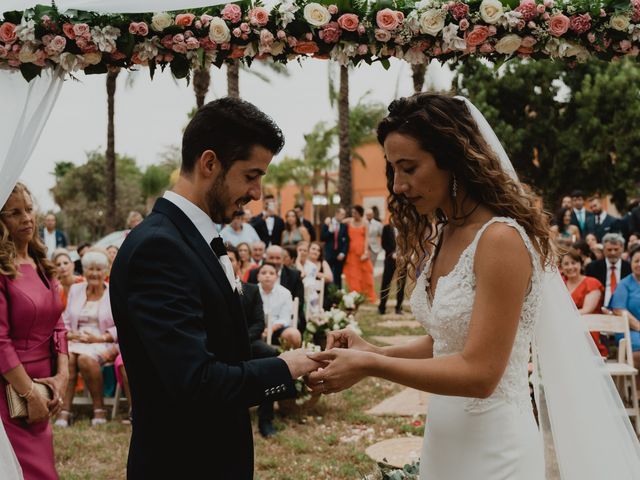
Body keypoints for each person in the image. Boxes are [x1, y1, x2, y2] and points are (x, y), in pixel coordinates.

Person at [306, 94, 640, 479]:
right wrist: (376, 349)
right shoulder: (443, 234)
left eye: (409, 168)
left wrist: (370, 365)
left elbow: (481, 373)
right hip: (445, 438)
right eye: (393, 169)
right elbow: (448, 341)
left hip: (495, 448)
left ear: (452, 160)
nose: (398, 185)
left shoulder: (500, 240)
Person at [109, 98, 318, 479]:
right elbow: (195, 382)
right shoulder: (160, 249)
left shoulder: (191, 238)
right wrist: (283, 368)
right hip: (184, 462)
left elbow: (224, 348)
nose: (257, 193)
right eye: (251, 175)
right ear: (209, 164)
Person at [0, 182, 69, 480]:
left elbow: (59, 324)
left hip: (45, 386)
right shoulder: (2, 271)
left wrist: (62, 376)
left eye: (29, 209)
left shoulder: (42, 264)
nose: (26, 218)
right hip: (11, 390)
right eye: (15, 212)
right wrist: (29, 393)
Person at [57, 249, 119, 428]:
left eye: (99, 269)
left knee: (85, 359)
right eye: (90, 269)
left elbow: (122, 325)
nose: (94, 273)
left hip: (102, 341)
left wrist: (100, 338)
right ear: (84, 270)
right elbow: (66, 320)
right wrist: (71, 334)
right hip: (77, 339)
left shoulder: (113, 293)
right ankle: (65, 410)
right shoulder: (76, 290)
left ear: (106, 271)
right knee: (67, 358)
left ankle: (98, 408)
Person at [226, 245, 279, 437]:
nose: (225, 262)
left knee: (272, 356)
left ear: (239, 264)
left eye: (230, 259)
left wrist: (241, 340)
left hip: (249, 342)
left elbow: (258, 322)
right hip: (220, 344)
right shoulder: (210, 290)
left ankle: (266, 420)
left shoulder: (251, 291)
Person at [247, 245, 306, 333]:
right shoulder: (254, 273)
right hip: (257, 320)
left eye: (278, 258)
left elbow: (299, 301)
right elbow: (248, 298)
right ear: (265, 258)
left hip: (284, 318)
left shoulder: (294, 275)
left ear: (283, 259)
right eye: (271, 258)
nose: (274, 261)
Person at [560, 249, 607, 356]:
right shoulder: (560, 285)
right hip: (564, 327)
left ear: (580, 264)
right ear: (561, 268)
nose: (570, 267)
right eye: (566, 264)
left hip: (588, 328)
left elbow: (587, 310)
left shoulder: (591, 283)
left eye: (574, 263)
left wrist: (562, 317)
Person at [610, 244, 640, 387]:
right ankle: (638, 392)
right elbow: (619, 309)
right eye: (636, 260)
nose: (639, 264)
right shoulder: (624, 284)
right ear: (631, 262)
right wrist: (639, 326)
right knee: (638, 354)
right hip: (630, 330)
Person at [257, 263, 301, 349]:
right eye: (263, 273)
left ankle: (289, 360)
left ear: (277, 277)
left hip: (277, 329)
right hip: (256, 328)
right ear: (258, 276)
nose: (267, 276)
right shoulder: (251, 291)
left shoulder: (285, 293)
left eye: (271, 273)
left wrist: (271, 329)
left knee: (294, 335)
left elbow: (285, 318)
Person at [585, 232, 631, 307]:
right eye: (609, 250)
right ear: (604, 249)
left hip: (624, 309)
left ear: (622, 249)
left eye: (616, 249)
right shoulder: (592, 268)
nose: (613, 253)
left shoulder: (629, 268)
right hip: (598, 309)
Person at [342, 205, 377, 302]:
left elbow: (367, 238)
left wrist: (365, 252)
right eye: (352, 213)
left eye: (355, 213)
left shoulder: (365, 223)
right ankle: (355, 295)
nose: (353, 215)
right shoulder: (349, 221)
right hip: (351, 253)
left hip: (362, 253)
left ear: (360, 213)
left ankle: (368, 296)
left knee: (365, 275)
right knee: (353, 275)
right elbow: (340, 221)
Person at [378, 223, 406, 315]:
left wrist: (404, 255)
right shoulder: (386, 228)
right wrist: (392, 253)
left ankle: (398, 308)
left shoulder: (406, 227)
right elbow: (383, 243)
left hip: (403, 260)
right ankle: (382, 307)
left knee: (401, 284)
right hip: (390, 259)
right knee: (386, 283)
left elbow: (409, 242)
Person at [321, 208, 349, 288]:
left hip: (339, 255)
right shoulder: (328, 223)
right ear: (337, 214)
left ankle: (337, 295)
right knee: (327, 275)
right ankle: (326, 294)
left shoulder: (344, 226)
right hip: (329, 254)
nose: (344, 216)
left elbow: (346, 241)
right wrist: (330, 231)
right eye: (342, 214)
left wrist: (343, 253)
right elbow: (322, 237)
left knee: (338, 276)